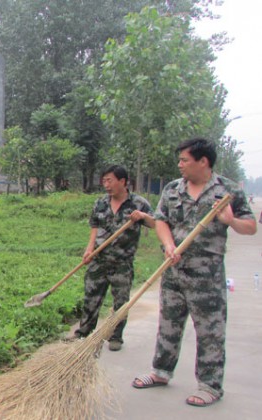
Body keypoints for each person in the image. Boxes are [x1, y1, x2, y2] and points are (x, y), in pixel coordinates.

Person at [132, 138, 256, 407]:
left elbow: (250, 226)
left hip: (207, 276)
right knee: (168, 325)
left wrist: (230, 220)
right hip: (174, 269)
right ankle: (161, 371)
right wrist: (168, 245)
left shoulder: (227, 191)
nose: (180, 165)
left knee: (210, 331)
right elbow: (161, 221)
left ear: (203, 161)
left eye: (184, 160)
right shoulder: (173, 189)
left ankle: (210, 385)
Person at [74, 165, 155, 351]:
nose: (106, 185)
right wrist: (89, 249)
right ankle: (84, 333)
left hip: (122, 263)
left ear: (123, 181)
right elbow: (94, 226)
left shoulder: (139, 203)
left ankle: (115, 336)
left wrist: (142, 216)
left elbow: (156, 223)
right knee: (91, 298)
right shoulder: (100, 202)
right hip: (99, 259)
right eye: (104, 181)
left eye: (110, 180)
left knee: (120, 302)